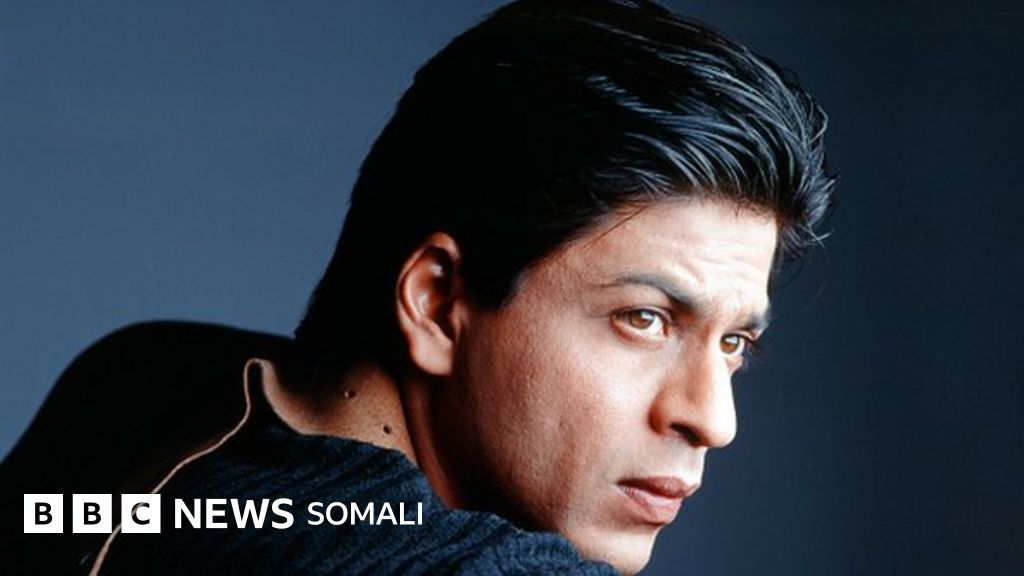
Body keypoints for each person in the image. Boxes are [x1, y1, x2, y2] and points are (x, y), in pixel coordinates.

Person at [23, 0, 836, 574]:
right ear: (438, 302)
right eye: (645, 318)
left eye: (735, 342)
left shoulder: (143, 374)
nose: (712, 419)